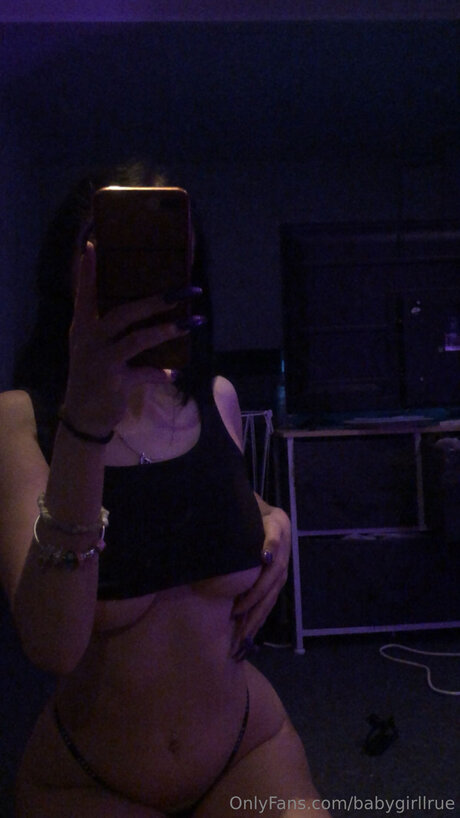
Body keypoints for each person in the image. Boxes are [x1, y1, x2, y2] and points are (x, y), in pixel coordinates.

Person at [0, 165, 331, 817]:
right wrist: (86, 422)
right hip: (91, 779)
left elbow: (197, 506)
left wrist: (272, 518)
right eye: (113, 253)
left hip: (247, 744)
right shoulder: (20, 421)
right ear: (69, 272)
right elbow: (51, 643)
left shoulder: (217, 398)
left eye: (166, 254)